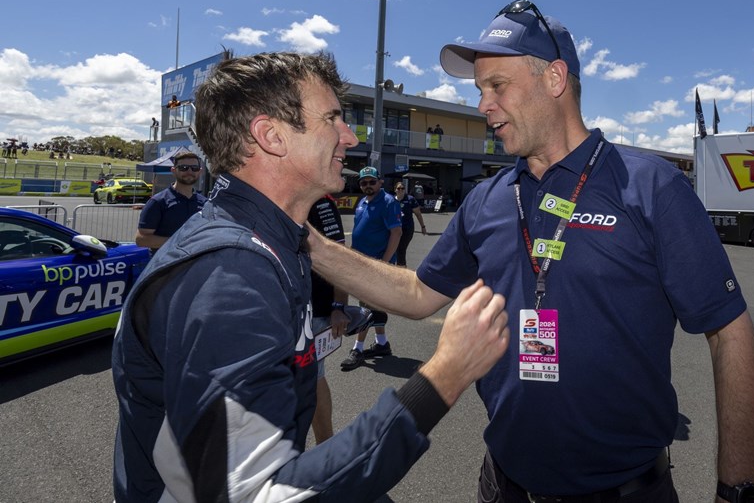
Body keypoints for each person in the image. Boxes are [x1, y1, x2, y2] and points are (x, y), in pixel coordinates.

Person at [308, 0, 754, 503]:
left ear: (554, 78)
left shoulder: (651, 186)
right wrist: (310, 245)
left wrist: (737, 489)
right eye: (479, 90)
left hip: (625, 491)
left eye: (496, 86)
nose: (483, 105)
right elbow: (419, 293)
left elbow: (730, 334)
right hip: (502, 484)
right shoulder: (487, 199)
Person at [111, 51, 510, 502]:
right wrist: (446, 374)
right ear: (271, 136)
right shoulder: (232, 274)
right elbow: (262, 493)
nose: (349, 135)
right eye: (332, 118)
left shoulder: (275, 239)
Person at [339, 167, 402, 371]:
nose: (368, 185)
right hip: (361, 262)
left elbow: (396, 233)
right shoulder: (362, 202)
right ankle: (382, 344)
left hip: (375, 265)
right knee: (374, 306)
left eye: (371, 182)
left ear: (380, 182)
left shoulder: (388, 202)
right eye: (364, 182)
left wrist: (383, 262)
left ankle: (357, 349)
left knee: (366, 307)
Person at [307, 195, 350, 444]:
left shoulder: (321, 202)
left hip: (316, 308)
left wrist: (338, 305)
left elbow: (340, 255)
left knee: (312, 376)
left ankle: (326, 445)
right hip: (284, 306)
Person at [135, 150, 207, 253]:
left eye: (194, 168)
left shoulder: (205, 203)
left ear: (200, 172)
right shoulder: (158, 202)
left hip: (195, 265)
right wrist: (180, 241)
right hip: (166, 266)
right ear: (173, 170)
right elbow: (141, 239)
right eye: (183, 168)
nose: (189, 172)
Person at [393, 181, 427, 267]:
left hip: (407, 228)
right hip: (395, 229)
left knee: (401, 248)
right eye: (398, 188)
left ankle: (402, 268)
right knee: (394, 248)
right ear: (395, 190)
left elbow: (418, 214)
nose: (400, 190)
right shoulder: (391, 200)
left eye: (402, 188)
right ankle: (398, 267)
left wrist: (422, 226)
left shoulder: (410, 199)